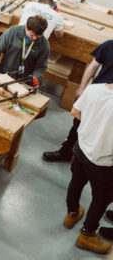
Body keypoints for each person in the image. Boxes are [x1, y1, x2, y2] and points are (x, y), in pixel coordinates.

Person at [62, 82, 113, 254]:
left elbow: (75, 112)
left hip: (81, 149)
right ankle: (87, 234)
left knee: (76, 181)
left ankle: (72, 213)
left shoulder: (93, 89)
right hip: (103, 161)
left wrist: (94, 128)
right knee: (101, 198)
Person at [43, 39, 113, 162]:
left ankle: (93, 162)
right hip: (96, 95)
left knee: (104, 132)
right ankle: (66, 152)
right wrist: (82, 87)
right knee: (77, 124)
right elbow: (93, 66)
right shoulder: (109, 45)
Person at [0, 15, 49, 87]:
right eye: (32, 35)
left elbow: (41, 66)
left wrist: (36, 77)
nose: (34, 38)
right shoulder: (13, 32)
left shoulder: (44, 45)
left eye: (38, 36)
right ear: (26, 27)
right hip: (3, 75)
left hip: (25, 83)